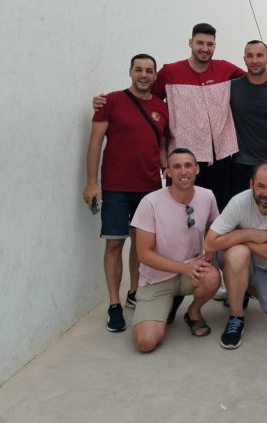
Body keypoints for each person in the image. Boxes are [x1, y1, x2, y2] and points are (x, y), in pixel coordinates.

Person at [92, 23, 267, 211]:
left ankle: (214, 252)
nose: (204, 48)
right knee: (180, 215)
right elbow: (143, 95)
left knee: (218, 215)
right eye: (200, 43)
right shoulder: (170, 72)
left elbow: (255, 77)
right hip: (183, 160)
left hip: (221, 161)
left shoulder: (225, 69)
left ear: (215, 46)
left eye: (209, 44)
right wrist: (110, 101)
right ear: (191, 43)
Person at [83, 53, 169, 333]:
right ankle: (113, 304)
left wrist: (165, 164)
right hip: (115, 187)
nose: (144, 75)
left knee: (140, 245)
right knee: (114, 245)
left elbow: (162, 142)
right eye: (139, 69)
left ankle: (134, 292)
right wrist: (91, 183)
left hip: (149, 189)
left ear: (155, 76)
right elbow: (95, 143)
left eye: (149, 71)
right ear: (130, 72)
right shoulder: (110, 102)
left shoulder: (161, 107)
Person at [130, 149, 222, 352]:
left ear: (197, 169)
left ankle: (193, 312)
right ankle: (169, 302)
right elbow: (143, 254)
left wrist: (210, 252)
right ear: (168, 172)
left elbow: (213, 226)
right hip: (156, 279)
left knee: (212, 277)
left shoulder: (207, 196)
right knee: (145, 343)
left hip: (191, 270)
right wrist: (183, 268)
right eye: (177, 166)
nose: (184, 171)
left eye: (188, 165)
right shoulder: (150, 203)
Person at [204, 163, 267, 349]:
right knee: (239, 253)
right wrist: (250, 235)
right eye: (261, 186)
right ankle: (236, 318)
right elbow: (209, 243)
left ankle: (242, 288)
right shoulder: (239, 202)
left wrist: (241, 239)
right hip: (235, 260)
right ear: (251, 184)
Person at [229, 41, 267, 197]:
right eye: (250, 56)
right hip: (241, 164)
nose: (255, 60)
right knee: (242, 218)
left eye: (260, 55)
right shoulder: (232, 87)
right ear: (244, 59)